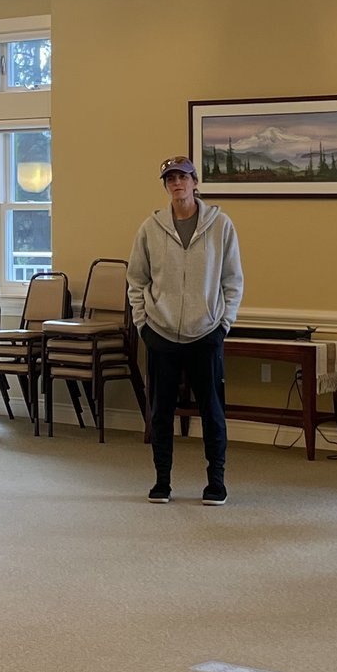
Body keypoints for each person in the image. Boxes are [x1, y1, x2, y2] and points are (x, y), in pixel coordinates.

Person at [127, 155, 244, 505]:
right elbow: (136, 279)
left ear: (195, 183)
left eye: (183, 177)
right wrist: (142, 324)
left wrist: (224, 324)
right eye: (170, 179)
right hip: (160, 334)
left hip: (206, 333)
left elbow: (232, 280)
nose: (177, 183)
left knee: (212, 411)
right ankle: (162, 481)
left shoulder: (221, 226)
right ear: (166, 186)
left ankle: (216, 483)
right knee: (161, 411)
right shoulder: (150, 228)